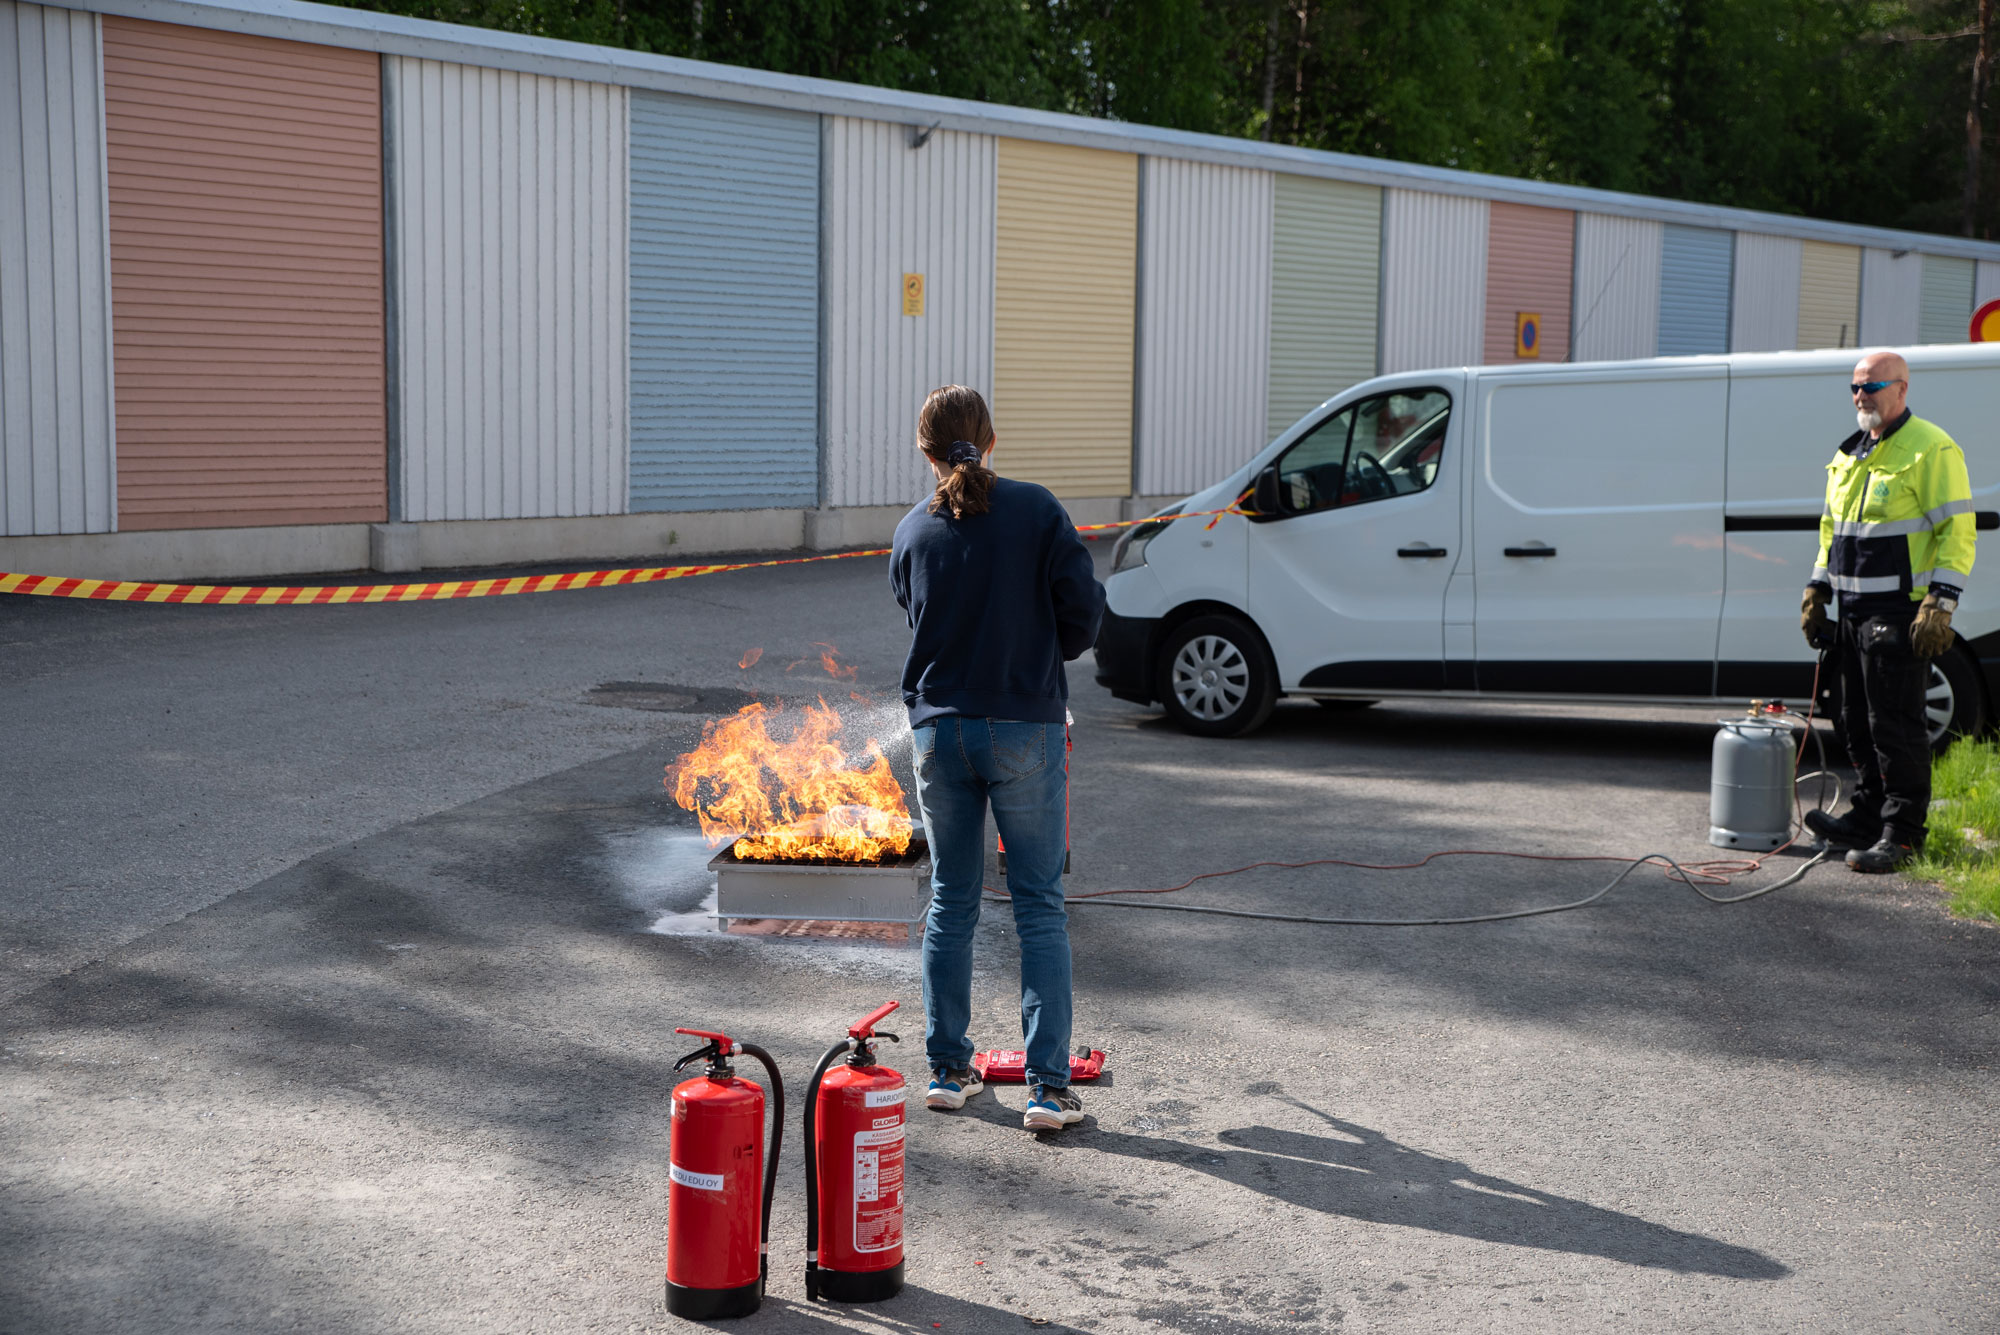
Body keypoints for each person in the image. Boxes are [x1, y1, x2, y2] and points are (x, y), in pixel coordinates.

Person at [889, 385, 1106, 1131]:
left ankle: (949, 1070)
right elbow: (1082, 613)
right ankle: (1048, 1088)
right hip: (1024, 725)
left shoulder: (912, 531)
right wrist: (1045, 647)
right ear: (991, 439)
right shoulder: (1039, 509)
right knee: (1039, 903)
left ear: (925, 451)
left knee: (951, 898)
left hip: (939, 730)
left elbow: (916, 613)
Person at [1800, 350, 1976, 872]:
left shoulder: (1930, 448)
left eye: (1872, 387)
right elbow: (1832, 531)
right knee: (1855, 721)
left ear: (1902, 388)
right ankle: (1868, 817)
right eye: (1855, 388)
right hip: (1852, 614)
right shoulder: (1851, 453)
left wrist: (1941, 602)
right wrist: (1816, 587)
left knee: (1895, 726)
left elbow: (1957, 530)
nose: (1861, 396)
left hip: (1898, 614)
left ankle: (1902, 835)